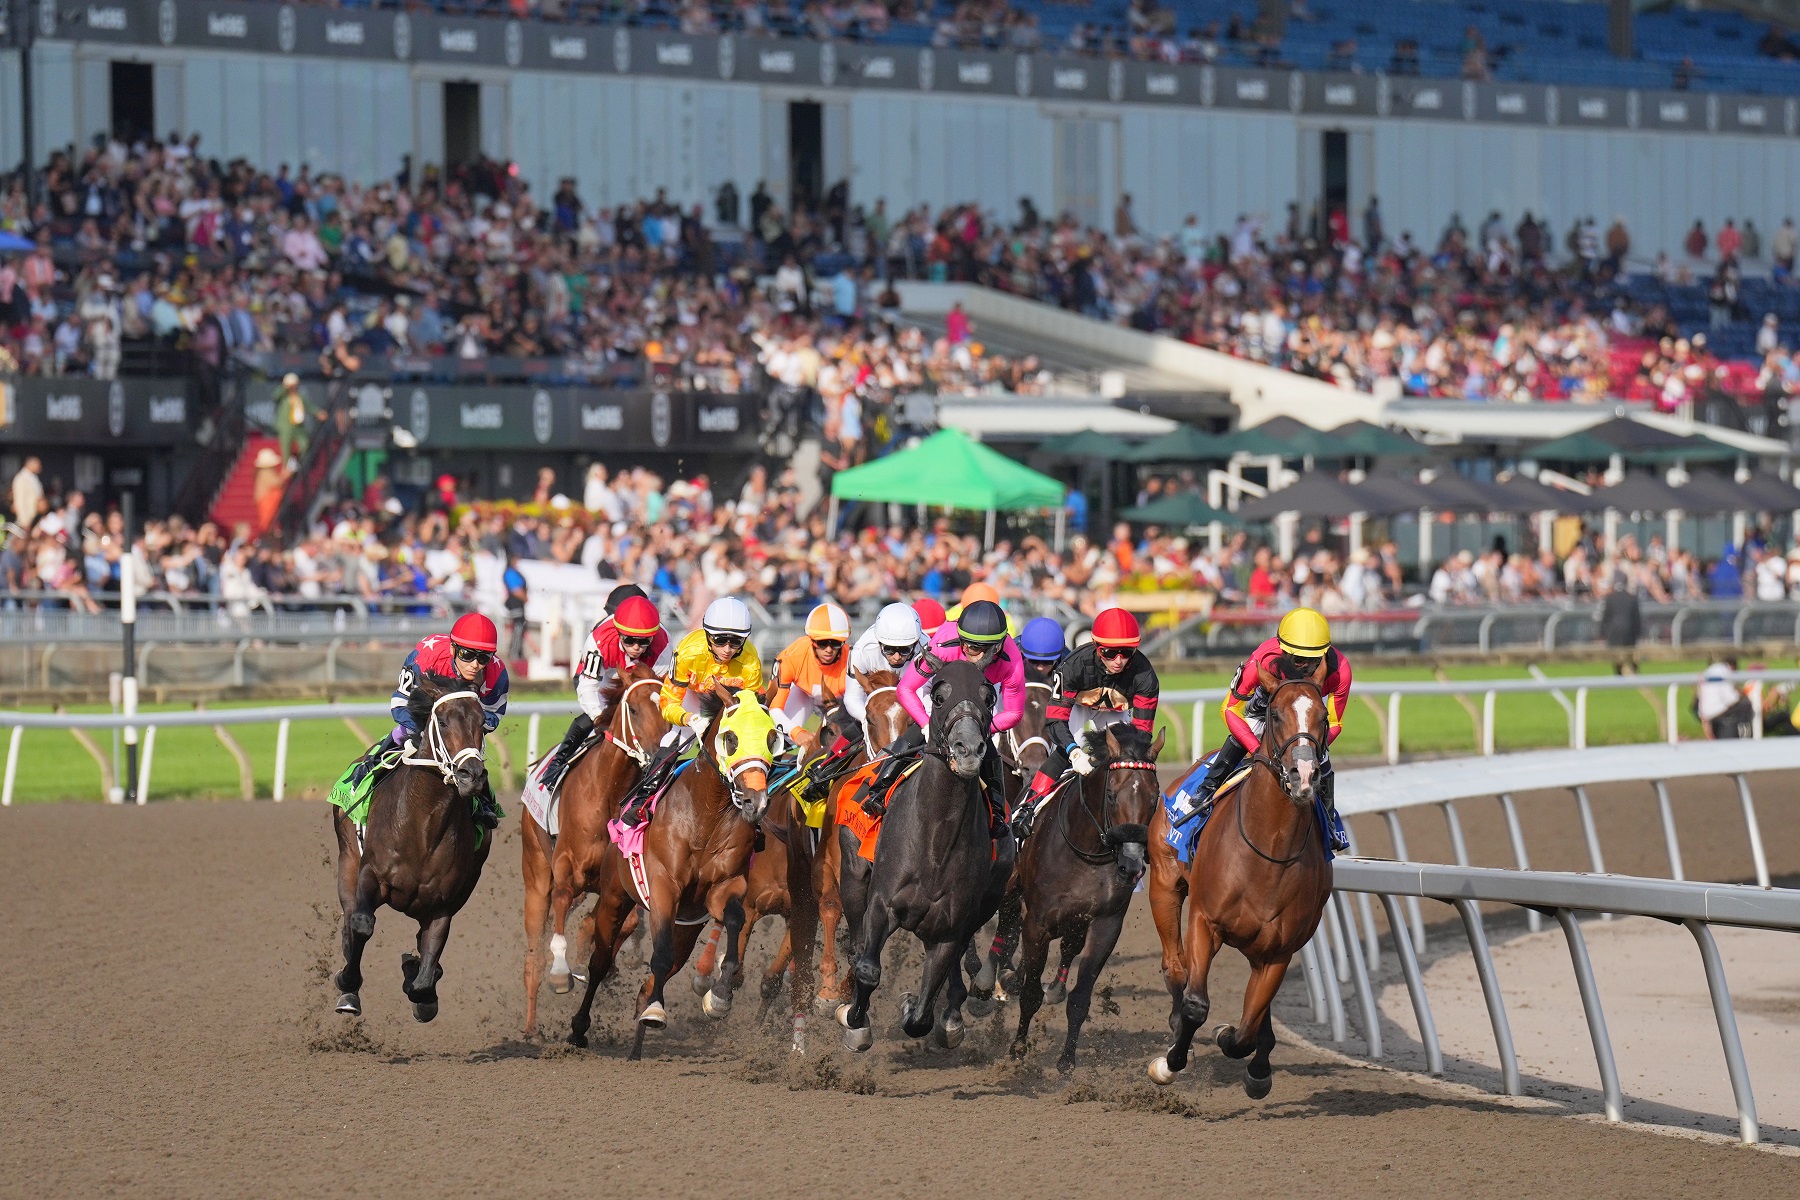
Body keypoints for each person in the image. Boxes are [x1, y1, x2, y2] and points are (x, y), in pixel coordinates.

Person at [1181, 607, 1351, 851]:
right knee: (1249, 729)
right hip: (1264, 709)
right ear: (1283, 651)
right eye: (1298, 660)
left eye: (1312, 662)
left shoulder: (1340, 670)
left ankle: (1329, 821)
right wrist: (1255, 748)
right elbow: (1230, 709)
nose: (1304, 668)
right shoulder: (1264, 659)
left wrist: (1309, 746)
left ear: (1324, 655)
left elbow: (1334, 723)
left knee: (1320, 756)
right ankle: (1206, 788)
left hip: (1304, 713)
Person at [868, 599, 1023, 833]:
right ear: (960, 640)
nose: (976, 656)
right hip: (939, 694)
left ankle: (998, 812)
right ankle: (878, 790)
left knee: (990, 754)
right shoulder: (944, 644)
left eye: (985, 649)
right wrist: (925, 724)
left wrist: (978, 729)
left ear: (1000, 646)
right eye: (970, 647)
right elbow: (906, 689)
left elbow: (1014, 712)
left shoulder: (1012, 662)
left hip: (975, 707)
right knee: (911, 739)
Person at [342, 614, 510, 827]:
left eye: (484, 658)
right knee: (406, 735)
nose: (475, 665)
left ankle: (483, 800)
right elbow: (401, 703)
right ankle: (370, 767)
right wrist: (426, 734)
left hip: (463, 722)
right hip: (425, 711)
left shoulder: (497, 675)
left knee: (469, 752)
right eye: (467, 655)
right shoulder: (426, 657)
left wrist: (464, 731)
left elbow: (492, 717)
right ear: (453, 649)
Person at [618, 597, 763, 827]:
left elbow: (752, 711)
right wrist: (690, 719)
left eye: (736, 642)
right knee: (676, 739)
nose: (727, 649)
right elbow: (668, 702)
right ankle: (644, 799)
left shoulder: (751, 661)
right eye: (720, 640)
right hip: (694, 697)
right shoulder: (688, 651)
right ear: (707, 635)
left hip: (730, 704)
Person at [1014, 609, 1158, 839]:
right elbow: (1056, 721)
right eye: (1110, 652)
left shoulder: (1146, 676)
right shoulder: (1072, 666)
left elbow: (1141, 735)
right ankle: (1028, 807)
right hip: (1078, 706)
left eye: (1127, 652)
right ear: (1096, 646)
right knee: (1067, 750)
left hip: (1115, 713)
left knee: (1131, 762)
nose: (1118, 660)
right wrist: (1073, 751)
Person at [535, 588, 670, 795]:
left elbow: (659, 690)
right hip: (600, 682)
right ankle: (556, 767)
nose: (636, 647)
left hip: (641, 684)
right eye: (629, 640)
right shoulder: (600, 640)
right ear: (618, 632)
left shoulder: (664, 643)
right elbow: (588, 686)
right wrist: (601, 717)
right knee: (591, 720)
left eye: (644, 641)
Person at [768, 601, 853, 753]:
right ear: (812, 640)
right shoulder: (791, 657)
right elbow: (774, 708)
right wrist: (796, 732)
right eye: (822, 643)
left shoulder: (853, 660)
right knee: (779, 735)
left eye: (835, 644)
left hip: (839, 700)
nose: (828, 650)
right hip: (803, 693)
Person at [843, 602, 929, 725]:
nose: (897, 657)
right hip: (874, 705)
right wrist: (869, 720)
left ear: (915, 644)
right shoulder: (861, 651)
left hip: (914, 702)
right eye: (889, 649)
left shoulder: (927, 649)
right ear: (879, 643)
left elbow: (927, 697)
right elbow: (853, 697)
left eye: (905, 650)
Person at [1697, 658, 1754, 739]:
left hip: (1705, 714)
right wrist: (1742, 693)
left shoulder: (1710, 670)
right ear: (1733, 667)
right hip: (1717, 712)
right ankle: (1746, 737)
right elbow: (1731, 699)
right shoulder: (1725, 671)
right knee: (1746, 704)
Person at [1017, 616, 1067, 685]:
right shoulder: (1008, 661)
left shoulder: (1069, 667)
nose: (1040, 668)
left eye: (1048, 662)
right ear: (1022, 653)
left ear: (1059, 657)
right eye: (1033, 661)